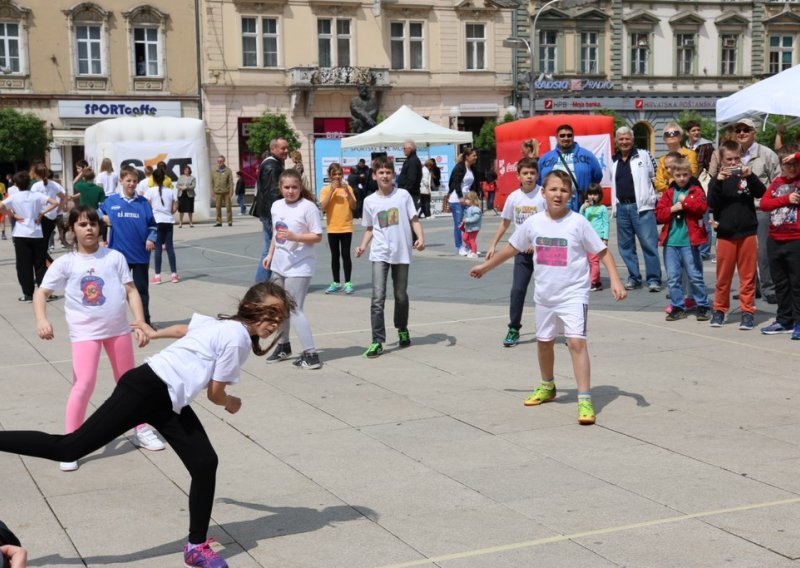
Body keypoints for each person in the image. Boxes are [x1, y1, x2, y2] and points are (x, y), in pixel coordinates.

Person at [0, 281, 294, 568]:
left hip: (167, 400)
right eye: (270, 315)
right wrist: (231, 403)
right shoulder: (237, 338)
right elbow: (215, 393)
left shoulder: (222, 324)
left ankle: (196, 547)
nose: (273, 324)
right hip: (145, 390)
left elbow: (183, 330)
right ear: (249, 308)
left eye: (279, 319)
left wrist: (154, 334)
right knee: (68, 448)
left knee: (204, 462)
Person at [470, 170, 627, 425]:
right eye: (553, 189)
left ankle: (584, 398)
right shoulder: (533, 223)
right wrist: (485, 268)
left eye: (564, 190)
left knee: (576, 343)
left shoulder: (578, 222)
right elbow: (512, 248)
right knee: (544, 342)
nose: (558, 194)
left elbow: (603, 251)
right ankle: (548, 386)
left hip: (574, 294)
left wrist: (616, 280)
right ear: (543, 193)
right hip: (545, 295)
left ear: (570, 195)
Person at [33, 206, 163, 471]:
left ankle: (140, 428)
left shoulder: (114, 257)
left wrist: (140, 322)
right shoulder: (66, 263)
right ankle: (70, 443)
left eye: (92, 223)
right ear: (72, 231)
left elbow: (131, 291)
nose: (89, 228)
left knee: (130, 382)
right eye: (82, 225)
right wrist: (42, 320)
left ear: (100, 227)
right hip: (85, 333)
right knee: (84, 384)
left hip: (118, 330)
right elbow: (41, 293)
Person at [355, 155, 425, 358]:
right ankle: (377, 340)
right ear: (374, 175)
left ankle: (402, 327)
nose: (385, 176)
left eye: (388, 172)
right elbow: (370, 227)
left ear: (393, 174)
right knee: (377, 297)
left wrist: (420, 238)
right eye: (381, 173)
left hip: (401, 252)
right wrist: (362, 246)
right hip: (380, 253)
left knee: (401, 295)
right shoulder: (370, 201)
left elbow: (414, 219)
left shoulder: (402, 195)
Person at [263, 170, 323, 369]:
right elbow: (276, 233)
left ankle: (311, 354)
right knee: (278, 308)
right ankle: (283, 345)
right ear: (280, 188)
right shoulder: (276, 206)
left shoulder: (308, 207)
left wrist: (295, 237)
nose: (290, 191)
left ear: (300, 187)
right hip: (279, 264)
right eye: (286, 187)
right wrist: (270, 254)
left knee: (295, 309)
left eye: (294, 187)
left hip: (300, 265)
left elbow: (317, 236)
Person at [707, 140, 766, 330]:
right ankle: (719, 310)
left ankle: (747, 312)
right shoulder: (717, 180)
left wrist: (751, 176)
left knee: (748, 277)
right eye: (729, 160)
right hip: (725, 234)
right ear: (722, 160)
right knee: (723, 277)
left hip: (747, 232)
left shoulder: (746, 175)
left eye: (736, 159)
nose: (733, 163)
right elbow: (712, 204)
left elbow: (762, 193)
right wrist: (718, 181)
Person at [486, 157, 545, 347]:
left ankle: (562, 328)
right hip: (521, 252)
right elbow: (505, 222)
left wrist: (537, 244)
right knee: (517, 290)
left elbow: (550, 222)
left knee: (550, 290)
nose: (529, 177)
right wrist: (493, 244)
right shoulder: (513, 198)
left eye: (532, 173)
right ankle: (513, 328)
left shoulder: (543, 195)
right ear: (518, 175)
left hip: (544, 253)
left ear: (537, 175)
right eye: (525, 173)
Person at [99, 165, 157, 327]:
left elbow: (153, 225)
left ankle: (145, 321)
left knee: (141, 291)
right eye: (128, 181)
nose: (132, 184)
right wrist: (102, 218)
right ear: (121, 181)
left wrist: (151, 238)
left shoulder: (143, 203)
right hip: (118, 255)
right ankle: (116, 322)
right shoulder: (111, 201)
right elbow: (95, 212)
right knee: (116, 291)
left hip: (140, 255)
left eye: (134, 181)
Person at [655, 157, 712, 322]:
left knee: (694, 275)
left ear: (690, 174)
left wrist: (685, 203)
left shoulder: (695, 191)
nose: (681, 178)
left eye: (685, 175)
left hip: (689, 242)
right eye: (678, 175)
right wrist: (672, 208)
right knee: (673, 277)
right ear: (672, 174)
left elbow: (701, 208)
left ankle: (702, 304)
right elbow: (659, 214)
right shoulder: (668, 193)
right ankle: (677, 306)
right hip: (671, 242)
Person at [734, 118, 781, 305]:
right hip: (739, 209)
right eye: (738, 130)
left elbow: (777, 180)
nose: (742, 133)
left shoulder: (767, 154)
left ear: (754, 132)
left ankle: (770, 288)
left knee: (763, 252)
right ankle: (751, 287)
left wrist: (771, 203)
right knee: (744, 252)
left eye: (746, 130)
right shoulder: (734, 154)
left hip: (761, 208)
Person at [610, 126, 662, 292]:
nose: (624, 142)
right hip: (622, 207)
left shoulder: (644, 155)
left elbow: (655, 177)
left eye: (627, 139)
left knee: (649, 244)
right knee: (625, 246)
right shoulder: (614, 160)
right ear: (616, 141)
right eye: (621, 139)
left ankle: (654, 279)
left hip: (642, 207)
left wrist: (654, 197)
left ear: (632, 140)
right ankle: (634, 277)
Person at [759, 145, 800, 339]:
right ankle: (785, 320)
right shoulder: (776, 182)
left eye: (795, 164)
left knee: (797, 284)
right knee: (781, 284)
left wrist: (797, 154)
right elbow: (765, 204)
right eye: (787, 164)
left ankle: (799, 321)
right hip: (775, 240)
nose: (791, 168)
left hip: (796, 240)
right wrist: (786, 198)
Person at [0, 171, 58, 302]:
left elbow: (1, 205)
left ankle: (27, 293)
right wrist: (42, 213)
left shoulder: (14, 197)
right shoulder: (36, 195)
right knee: (40, 264)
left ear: (16, 184)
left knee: (23, 265)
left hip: (21, 233)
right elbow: (54, 202)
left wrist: (13, 215)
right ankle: (44, 292)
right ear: (28, 183)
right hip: (37, 232)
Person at [537, 124, 602, 211]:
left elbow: (597, 176)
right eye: (562, 136)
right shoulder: (546, 158)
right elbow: (538, 179)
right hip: (553, 204)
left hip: (580, 204)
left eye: (569, 135)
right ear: (556, 137)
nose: (566, 138)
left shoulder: (587, 155)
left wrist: (585, 191)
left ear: (573, 137)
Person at [254, 138, 288, 283]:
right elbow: (272, 193)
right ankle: (261, 283)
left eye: (287, 148)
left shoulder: (273, 164)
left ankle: (265, 282)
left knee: (270, 248)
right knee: (270, 249)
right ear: (273, 149)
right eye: (283, 148)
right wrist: (276, 217)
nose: (286, 151)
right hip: (270, 213)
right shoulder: (272, 167)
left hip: (267, 212)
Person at [320, 163, 357, 295]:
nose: (337, 176)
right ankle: (336, 282)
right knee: (334, 256)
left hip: (346, 226)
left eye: (339, 174)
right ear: (330, 175)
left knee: (346, 255)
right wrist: (331, 190)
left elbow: (353, 206)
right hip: (333, 227)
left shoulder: (348, 188)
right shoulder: (325, 190)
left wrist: (348, 194)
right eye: (334, 174)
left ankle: (348, 282)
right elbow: (323, 206)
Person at [146, 168, 179, 284]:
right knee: (170, 247)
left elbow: (147, 207)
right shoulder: (170, 191)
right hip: (168, 221)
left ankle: (158, 276)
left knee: (158, 248)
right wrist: (168, 212)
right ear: (165, 178)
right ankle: (174, 274)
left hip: (157, 221)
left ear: (153, 179)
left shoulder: (150, 191)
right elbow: (174, 208)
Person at [30, 165, 66, 262]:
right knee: (44, 244)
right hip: (52, 216)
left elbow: (32, 202)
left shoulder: (35, 186)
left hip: (40, 217)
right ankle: (48, 264)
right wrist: (58, 210)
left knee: (39, 246)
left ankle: (49, 265)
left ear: (36, 174)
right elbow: (63, 197)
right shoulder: (54, 185)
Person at [448, 148, 478, 256]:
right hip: (456, 199)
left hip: (467, 200)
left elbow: (473, 185)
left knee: (469, 223)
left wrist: (474, 198)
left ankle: (469, 246)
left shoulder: (472, 168)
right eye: (473, 155)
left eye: (475, 155)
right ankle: (459, 246)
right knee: (459, 224)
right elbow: (456, 183)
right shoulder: (459, 167)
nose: (475, 157)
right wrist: (460, 197)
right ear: (467, 156)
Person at [581, 183, 609, 291]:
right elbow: (580, 219)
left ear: (600, 195)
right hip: (586, 238)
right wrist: (583, 208)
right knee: (589, 261)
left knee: (594, 261)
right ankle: (597, 282)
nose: (592, 196)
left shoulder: (602, 208)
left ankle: (591, 282)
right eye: (590, 194)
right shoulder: (586, 208)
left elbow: (606, 223)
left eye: (595, 194)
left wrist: (605, 238)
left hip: (597, 238)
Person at [655, 124, 698, 193]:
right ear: (664, 139)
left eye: (675, 133)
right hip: (668, 198)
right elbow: (658, 184)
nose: (671, 135)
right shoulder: (662, 159)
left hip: (687, 194)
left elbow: (692, 176)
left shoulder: (690, 154)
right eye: (667, 134)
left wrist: (669, 181)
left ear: (680, 137)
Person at [397, 140, 423, 215]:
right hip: (408, 193)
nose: (403, 150)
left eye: (404, 148)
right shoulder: (410, 159)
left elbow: (412, 179)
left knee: (409, 217)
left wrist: (404, 191)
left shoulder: (413, 160)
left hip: (410, 194)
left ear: (410, 149)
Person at [211, 155, 234, 227]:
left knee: (228, 207)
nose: (219, 162)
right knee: (218, 207)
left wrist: (231, 191)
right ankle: (219, 222)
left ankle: (229, 221)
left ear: (224, 161)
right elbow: (212, 182)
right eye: (218, 161)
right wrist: (212, 191)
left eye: (221, 161)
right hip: (217, 192)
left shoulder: (228, 170)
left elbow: (231, 182)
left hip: (226, 192)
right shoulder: (214, 170)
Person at [460, 190, 482, 259]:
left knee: (472, 239)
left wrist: (467, 220)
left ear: (472, 200)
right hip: (468, 228)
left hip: (474, 228)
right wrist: (463, 222)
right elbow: (466, 217)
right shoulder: (468, 208)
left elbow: (476, 218)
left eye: (467, 199)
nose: (465, 200)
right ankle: (472, 249)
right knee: (464, 238)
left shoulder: (476, 209)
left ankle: (474, 252)